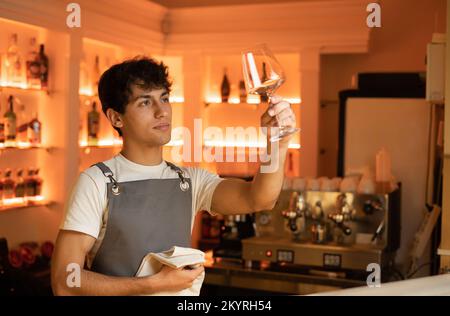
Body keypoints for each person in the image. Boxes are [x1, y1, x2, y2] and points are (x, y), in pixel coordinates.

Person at [51, 56, 297, 295]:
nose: (162, 112)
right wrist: (153, 285)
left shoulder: (189, 181)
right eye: (145, 102)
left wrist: (277, 143)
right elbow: (65, 280)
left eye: (164, 98)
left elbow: (260, 198)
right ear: (116, 117)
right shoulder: (96, 182)